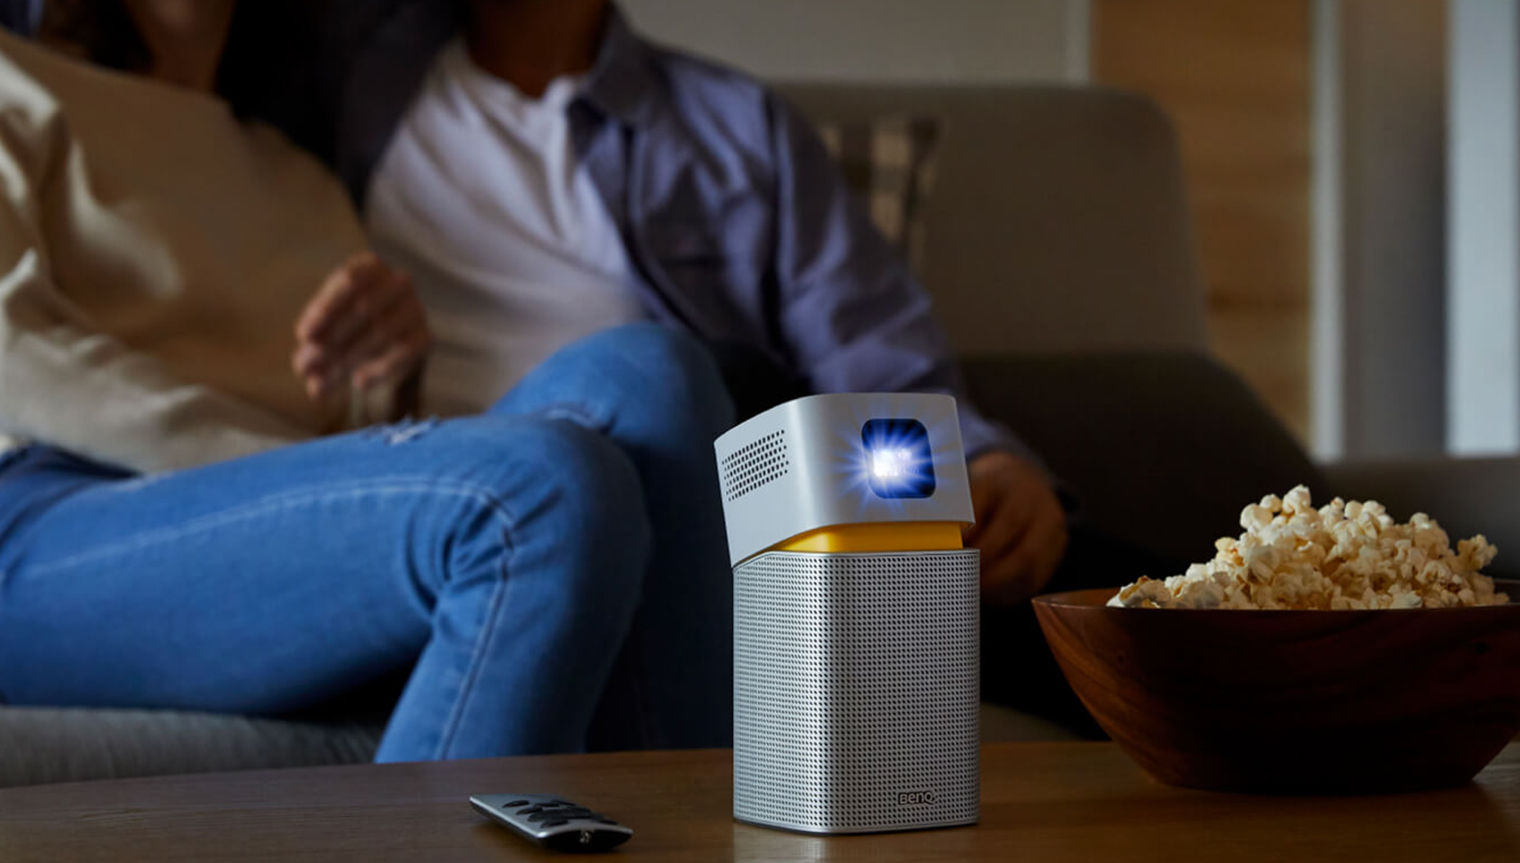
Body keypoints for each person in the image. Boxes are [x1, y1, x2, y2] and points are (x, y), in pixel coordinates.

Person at [0, 0, 736, 757]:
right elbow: (12, 353)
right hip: (42, 522)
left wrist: (386, 383)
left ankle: (696, 856)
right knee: (535, 489)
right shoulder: (14, 82)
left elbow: (346, 454)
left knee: (652, 375)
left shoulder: (297, 175)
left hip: (250, 528)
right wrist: (291, 468)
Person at [249, 0, 1074, 612]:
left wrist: (986, 464)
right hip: (471, 490)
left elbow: (875, 353)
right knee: (662, 369)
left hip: (714, 494)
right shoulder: (338, 75)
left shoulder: (736, 125)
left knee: (1101, 596)